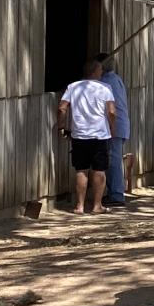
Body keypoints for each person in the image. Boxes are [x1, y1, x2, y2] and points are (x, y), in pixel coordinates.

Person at [55, 58, 119, 215]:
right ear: (95, 72)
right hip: (100, 134)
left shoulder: (72, 87)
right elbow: (111, 111)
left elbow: (62, 108)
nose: (102, 73)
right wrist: (112, 128)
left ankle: (80, 206)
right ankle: (97, 206)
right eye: (100, 70)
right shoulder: (105, 88)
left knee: (81, 170)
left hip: (79, 134)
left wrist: (61, 127)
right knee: (99, 170)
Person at [95, 50, 133, 207]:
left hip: (114, 125)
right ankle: (114, 193)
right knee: (113, 159)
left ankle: (116, 194)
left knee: (113, 161)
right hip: (119, 124)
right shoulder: (116, 79)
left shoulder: (105, 82)